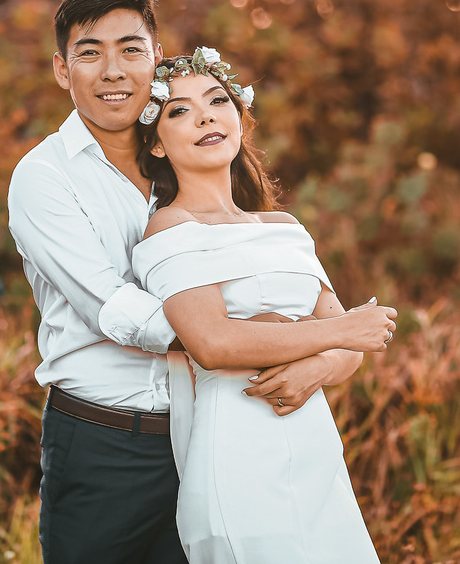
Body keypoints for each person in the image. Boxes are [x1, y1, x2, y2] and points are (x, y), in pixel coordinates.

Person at [7, 0, 396, 564]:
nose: (114, 71)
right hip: (112, 439)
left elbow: (304, 324)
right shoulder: (46, 177)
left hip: (224, 428)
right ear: (64, 70)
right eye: (91, 53)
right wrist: (260, 336)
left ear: (156, 57)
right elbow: (114, 308)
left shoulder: (190, 167)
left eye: (131, 50)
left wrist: (306, 356)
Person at [131, 48, 394, 563]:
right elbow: (213, 342)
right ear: (157, 145)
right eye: (179, 110)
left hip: (314, 446)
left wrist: (314, 367)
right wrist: (338, 334)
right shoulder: (171, 228)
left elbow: (352, 351)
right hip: (237, 446)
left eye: (217, 100)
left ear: (239, 118)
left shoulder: (286, 228)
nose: (205, 115)